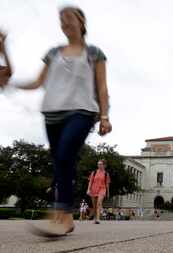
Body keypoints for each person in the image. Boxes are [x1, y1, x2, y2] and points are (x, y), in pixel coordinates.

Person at [0, 6, 112, 237]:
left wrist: (104, 116)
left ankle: (60, 214)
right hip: (52, 112)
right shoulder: (53, 53)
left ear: (81, 21)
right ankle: (66, 218)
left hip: (82, 111)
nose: (64, 23)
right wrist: (11, 83)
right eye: (61, 20)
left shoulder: (94, 53)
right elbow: (38, 82)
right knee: (61, 163)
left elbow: (101, 87)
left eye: (68, 17)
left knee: (65, 155)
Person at [87, 159, 111, 224]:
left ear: (104, 165)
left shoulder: (106, 174)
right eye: (98, 164)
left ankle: (98, 218)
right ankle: (95, 218)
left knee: (99, 203)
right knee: (94, 205)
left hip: (102, 189)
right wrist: (88, 189)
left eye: (100, 164)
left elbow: (107, 184)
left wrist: (108, 193)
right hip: (93, 189)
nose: (99, 165)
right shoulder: (94, 172)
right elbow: (90, 182)